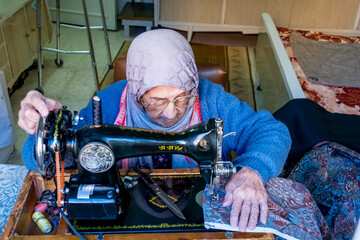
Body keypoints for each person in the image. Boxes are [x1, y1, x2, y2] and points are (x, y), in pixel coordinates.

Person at [18, 29, 291, 232]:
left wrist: (253, 170)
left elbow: (272, 131)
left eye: (182, 97)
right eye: (157, 101)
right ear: (137, 91)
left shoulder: (212, 100)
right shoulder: (112, 103)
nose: (171, 113)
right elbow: (42, 160)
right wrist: (43, 131)